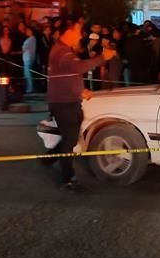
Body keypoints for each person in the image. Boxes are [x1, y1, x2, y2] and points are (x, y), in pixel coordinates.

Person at [47, 18, 114, 191]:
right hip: (64, 103)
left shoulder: (65, 50)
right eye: (77, 31)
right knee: (70, 140)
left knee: (70, 137)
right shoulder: (62, 52)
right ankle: (68, 179)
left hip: (67, 100)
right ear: (67, 33)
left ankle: (48, 158)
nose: (80, 35)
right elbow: (79, 67)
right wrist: (102, 58)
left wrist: (79, 91)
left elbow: (68, 75)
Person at [22, 26, 37, 94]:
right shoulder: (29, 39)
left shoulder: (32, 39)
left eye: (28, 30)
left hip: (28, 58)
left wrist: (32, 58)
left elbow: (32, 50)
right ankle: (29, 87)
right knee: (26, 73)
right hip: (26, 57)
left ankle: (30, 88)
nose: (27, 32)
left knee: (27, 73)